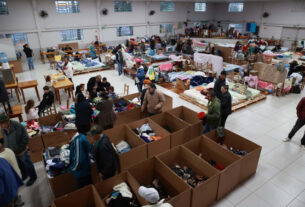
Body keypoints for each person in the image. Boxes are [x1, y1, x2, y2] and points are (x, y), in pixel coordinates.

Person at [0, 114, 37, 186]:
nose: (0, 126)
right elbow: (6, 139)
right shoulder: (3, 129)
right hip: (13, 152)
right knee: (20, 165)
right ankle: (25, 175)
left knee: (27, 163)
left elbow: (26, 138)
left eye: (1, 124)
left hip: (21, 151)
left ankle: (33, 177)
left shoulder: (18, 126)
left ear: (7, 122)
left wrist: (20, 148)